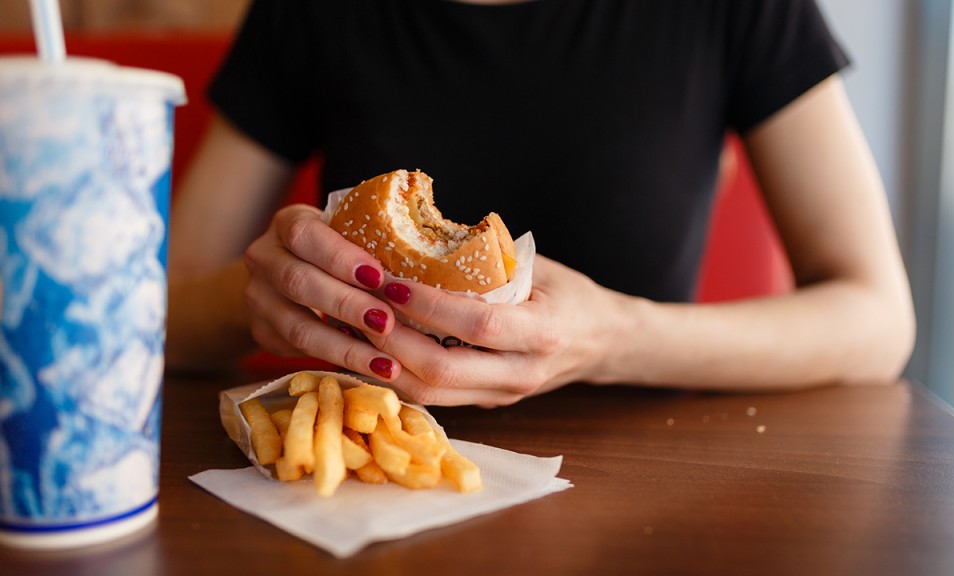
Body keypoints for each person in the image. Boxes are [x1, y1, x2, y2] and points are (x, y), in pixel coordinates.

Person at [166, 0, 916, 407]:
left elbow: (880, 320)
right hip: (370, 494)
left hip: (656, 499)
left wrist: (617, 338)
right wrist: (269, 294)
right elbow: (159, 313)